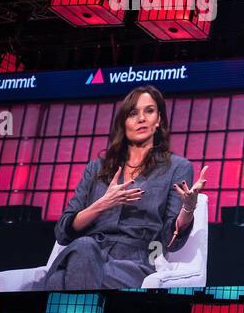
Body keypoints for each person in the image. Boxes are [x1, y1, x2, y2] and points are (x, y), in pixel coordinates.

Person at [45, 85, 208, 291]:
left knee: (57, 281)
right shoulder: (97, 167)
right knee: (85, 248)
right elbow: (62, 232)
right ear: (124, 122)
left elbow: (171, 243)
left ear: (158, 120)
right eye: (133, 113)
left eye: (149, 111)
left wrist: (188, 209)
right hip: (85, 249)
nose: (141, 118)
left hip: (134, 264)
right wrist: (102, 204)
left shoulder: (177, 167)